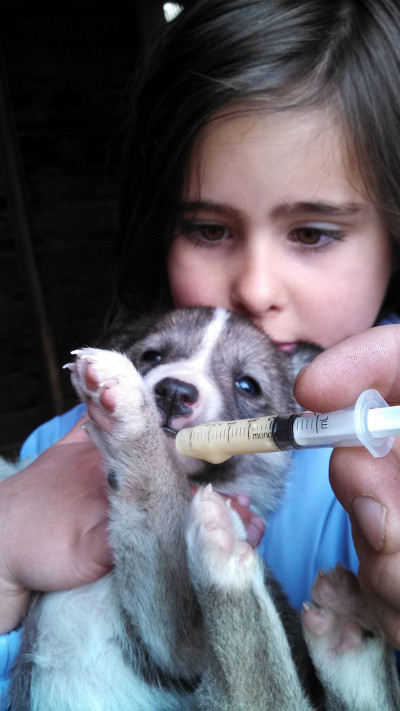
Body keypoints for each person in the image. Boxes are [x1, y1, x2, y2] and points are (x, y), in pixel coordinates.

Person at [2, 0, 400, 704]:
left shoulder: (380, 484)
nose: (254, 287)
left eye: (311, 232)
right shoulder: (52, 453)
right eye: (210, 228)